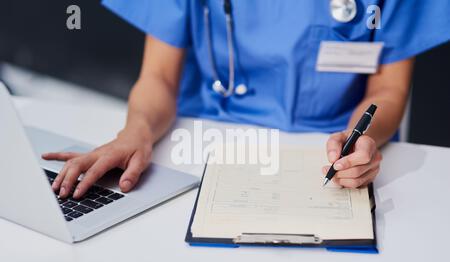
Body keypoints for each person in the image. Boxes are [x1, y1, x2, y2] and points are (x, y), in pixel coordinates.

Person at [43, 0, 450, 199]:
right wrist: (135, 132)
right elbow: (158, 78)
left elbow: (388, 92)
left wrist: (361, 139)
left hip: (328, 151)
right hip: (200, 145)